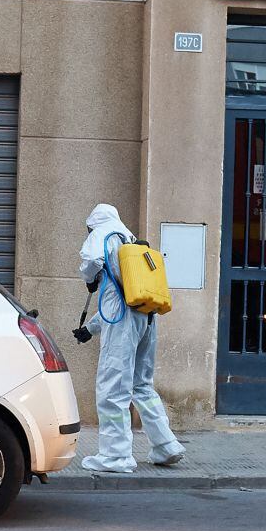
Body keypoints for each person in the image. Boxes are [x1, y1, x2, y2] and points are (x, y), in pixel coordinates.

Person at [70, 203, 185, 474]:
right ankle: (166, 445)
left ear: (93, 223)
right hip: (146, 317)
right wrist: (90, 329)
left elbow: (91, 261)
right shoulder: (130, 240)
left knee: (113, 389)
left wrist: (88, 278)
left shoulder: (102, 233)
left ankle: (115, 456)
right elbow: (120, 303)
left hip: (124, 321)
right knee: (141, 385)